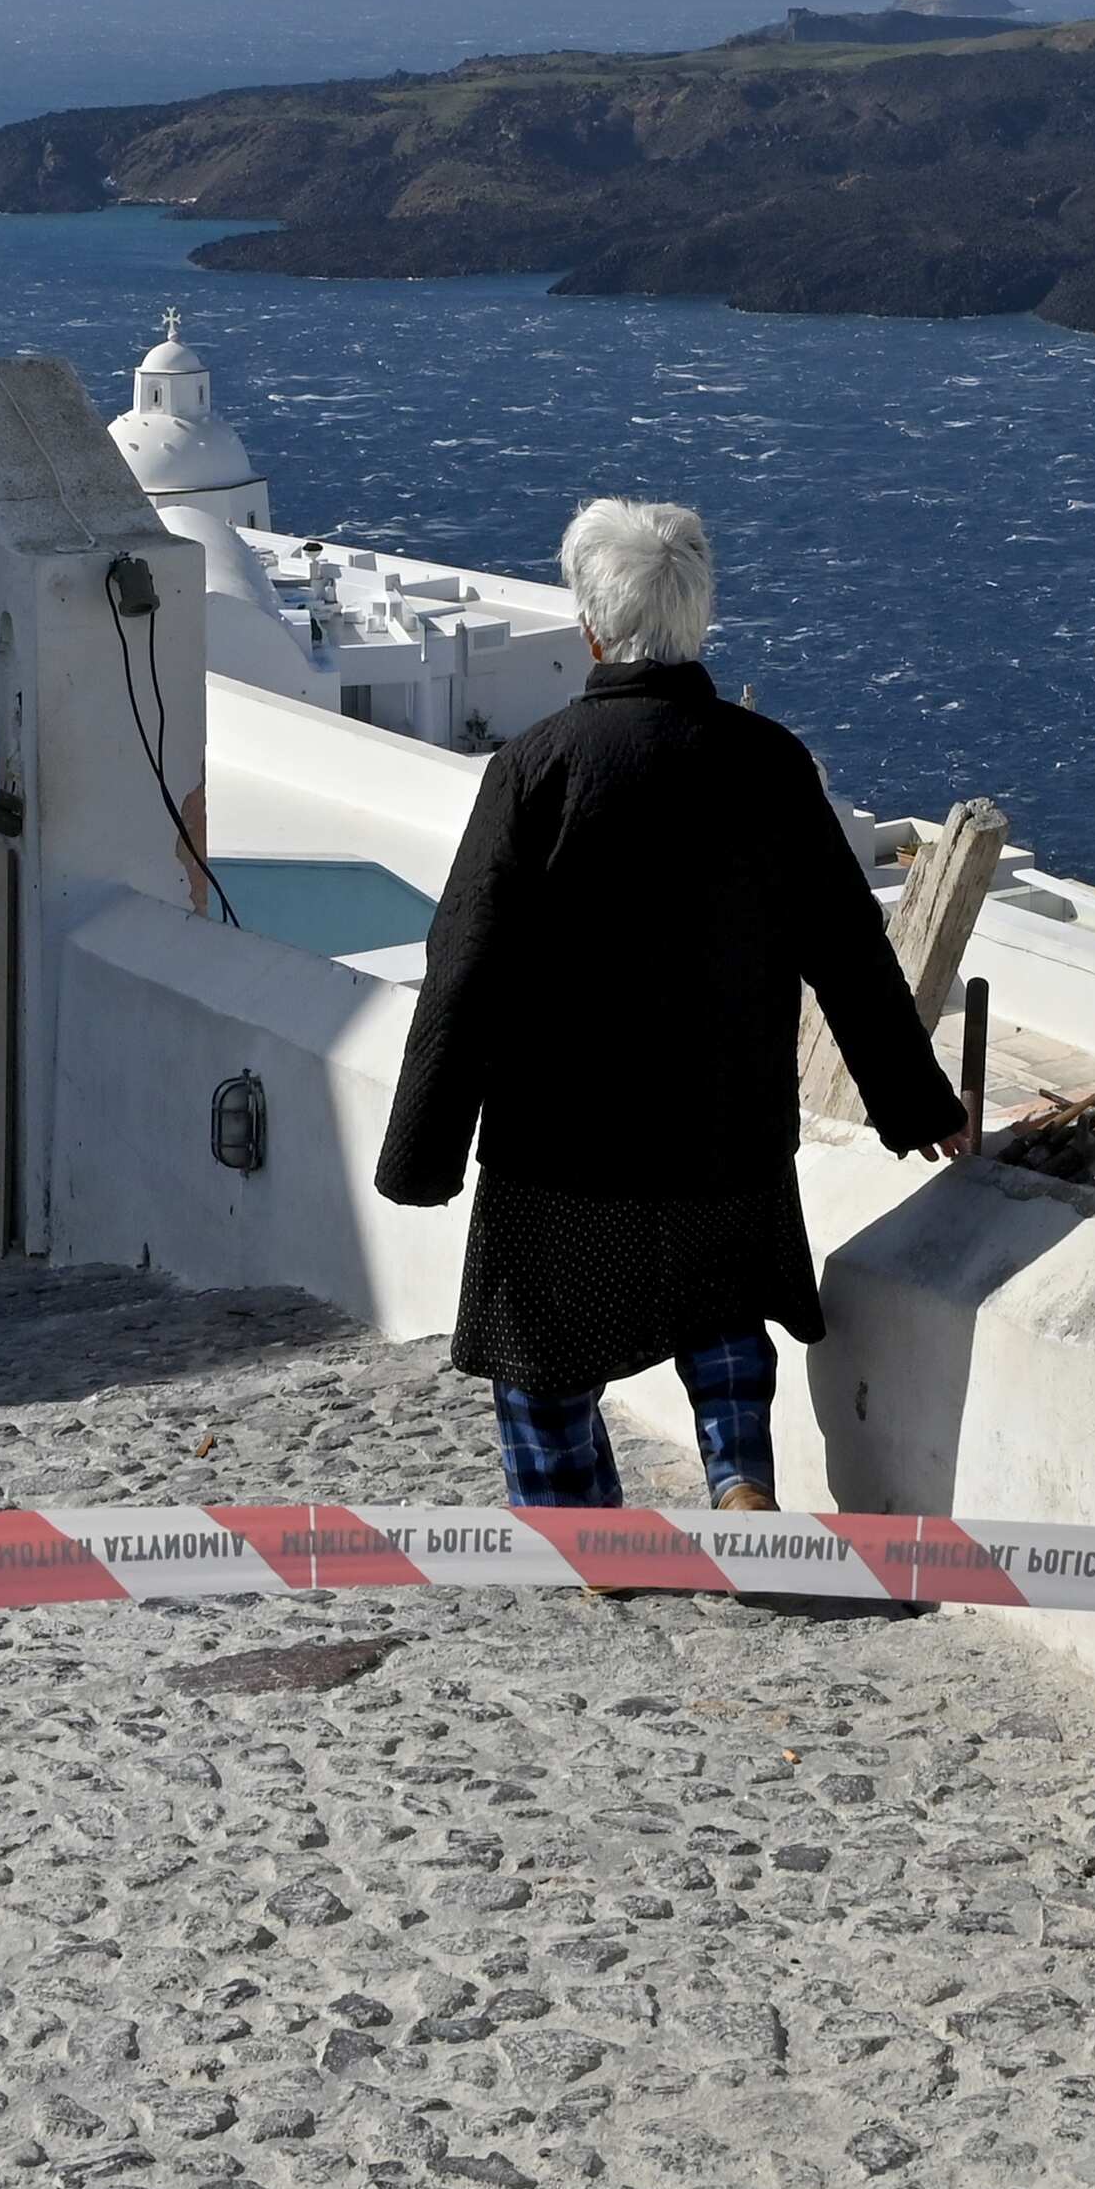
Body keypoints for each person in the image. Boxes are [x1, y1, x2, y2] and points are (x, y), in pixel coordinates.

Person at [372, 497, 975, 1514]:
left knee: (540, 1355)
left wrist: (421, 1153)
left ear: (591, 627)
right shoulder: (769, 762)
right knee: (722, 1315)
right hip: (724, 1128)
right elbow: (847, 948)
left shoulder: (535, 767)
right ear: (696, 620)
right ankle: (737, 1478)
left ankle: (584, 1530)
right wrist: (918, 1106)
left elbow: (462, 962)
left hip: (560, 1144)